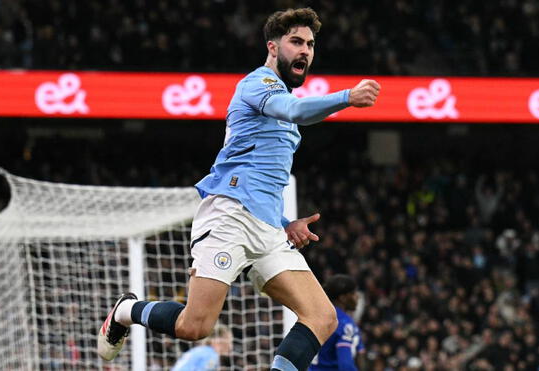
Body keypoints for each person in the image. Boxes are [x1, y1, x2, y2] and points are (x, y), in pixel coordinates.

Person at [98, 8, 380, 371]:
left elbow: (261, 180)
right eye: (296, 41)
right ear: (273, 47)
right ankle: (126, 310)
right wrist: (346, 98)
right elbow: (291, 110)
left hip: (265, 227)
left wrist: (283, 222)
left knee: (322, 317)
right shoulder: (257, 84)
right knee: (195, 326)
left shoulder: (288, 116)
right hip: (229, 215)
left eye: (310, 44)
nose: (305, 50)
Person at [309, 274, 365, 371]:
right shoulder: (344, 323)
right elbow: (346, 365)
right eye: (353, 293)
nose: (357, 297)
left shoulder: (316, 317)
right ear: (343, 298)